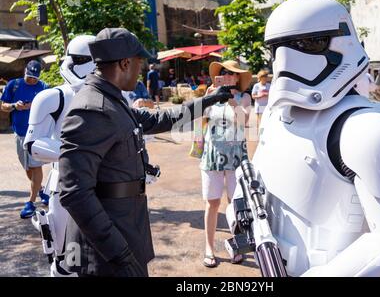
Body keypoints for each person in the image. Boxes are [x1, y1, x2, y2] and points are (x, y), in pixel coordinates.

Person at [225, 0, 380, 277]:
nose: (286, 61)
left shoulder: (367, 129)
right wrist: (239, 209)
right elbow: (256, 174)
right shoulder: (276, 116)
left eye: (304, 45)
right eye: (276, 49)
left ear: (338, 42)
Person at [58, 27, 234, 277]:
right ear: (124, 63)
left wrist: (207, 100)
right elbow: (74, 193)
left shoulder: (114, 100)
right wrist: (118, 251)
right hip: (107, 243)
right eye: (139, 64)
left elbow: (161, 118)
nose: (141, 71)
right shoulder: (92, 109)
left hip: (126, 225)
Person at [23, 35, 96, 276]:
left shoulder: (111, 98)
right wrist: (75, 152)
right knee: (66, 259)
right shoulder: (53, 97)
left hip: (102, 184)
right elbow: (33, 144)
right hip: (65, 184)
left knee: (99, 254)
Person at [200, 60, 252, 268]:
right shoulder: (211, 96)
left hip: (237, 158)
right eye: (224, 73)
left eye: (232, 73)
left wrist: (231, 99)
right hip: (212, 157)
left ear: (238, 78)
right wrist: (208, 98)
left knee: (235, 203)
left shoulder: (244, 97)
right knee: (212, 203)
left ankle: (236, 245)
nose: (228, 76)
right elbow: (200, 119)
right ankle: (209, 248)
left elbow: (245, 120)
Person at [0, 60, 49, 218]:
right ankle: (40, 190)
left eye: (35, 78)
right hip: (20, 134)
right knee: (27, 167)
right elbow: (3, 106)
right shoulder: (14, 85)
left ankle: (30, 203)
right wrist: (15, 106)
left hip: (37, 133)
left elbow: (51, 109)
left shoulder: (44, 88)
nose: (32, 80)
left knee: (36, 167)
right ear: (24, 72)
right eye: (29, 77)